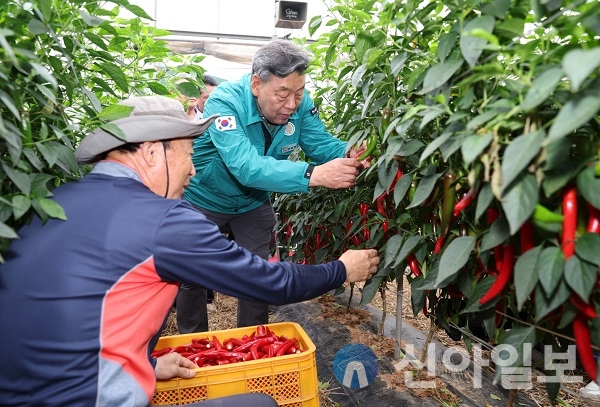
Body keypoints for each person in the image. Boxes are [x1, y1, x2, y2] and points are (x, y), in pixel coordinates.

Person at [0, 95, 380, 407]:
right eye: (187, 154)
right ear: (151, 153)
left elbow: (70, 315)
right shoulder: (160, 220)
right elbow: (268, 282)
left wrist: (146, 365)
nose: (194, 171)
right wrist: (341, 269)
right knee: (260, 404)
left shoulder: (52, 202)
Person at [181, 38, 371, 329]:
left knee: (257, 278)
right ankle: (192, 346)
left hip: (252, 202)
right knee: (190, 277)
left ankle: (254, 343)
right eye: (283, 93)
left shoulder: (299, 103)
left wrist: (348, 150)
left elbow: (319, 143)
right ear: (257, 84)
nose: (292, 104)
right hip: (205, 200)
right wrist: (314, 175)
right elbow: (245, 167)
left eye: (299, 92)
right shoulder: (224, 102)